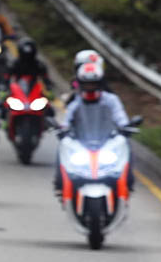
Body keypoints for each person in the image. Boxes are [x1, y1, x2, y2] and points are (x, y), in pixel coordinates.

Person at [53, 62, 133, 194]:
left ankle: (128, 183)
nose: (90, 87)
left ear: (100, 83)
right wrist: (62, 130)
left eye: (93, 83)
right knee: (63, 146)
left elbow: (120, 117)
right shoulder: (75, 101)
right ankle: (60, 184)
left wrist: (125, 128)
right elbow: (66, 121)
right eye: (86, 84)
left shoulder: (111, 100)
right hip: (82, 143)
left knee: (125, 145)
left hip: (106, 142)